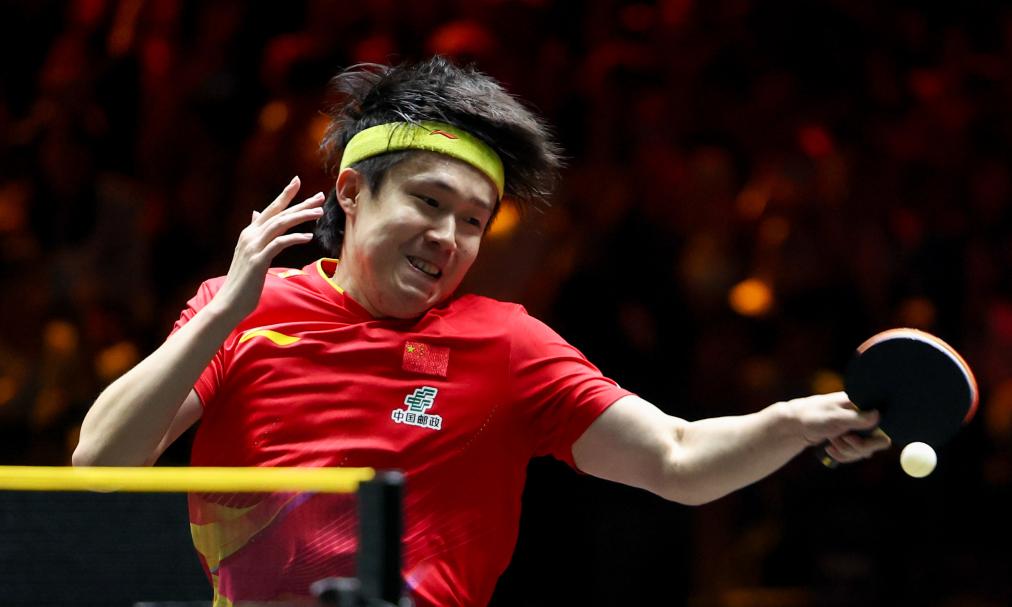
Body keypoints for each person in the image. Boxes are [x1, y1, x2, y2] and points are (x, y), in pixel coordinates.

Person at [73, 57, 889, 607]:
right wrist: (223, 312)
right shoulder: (246, 311)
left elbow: (676, 457)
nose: (449, 238)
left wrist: (793, 422)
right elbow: (99, 466)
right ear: (351, 192)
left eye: (473, 220)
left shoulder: (506, 345)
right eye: (428, 202)